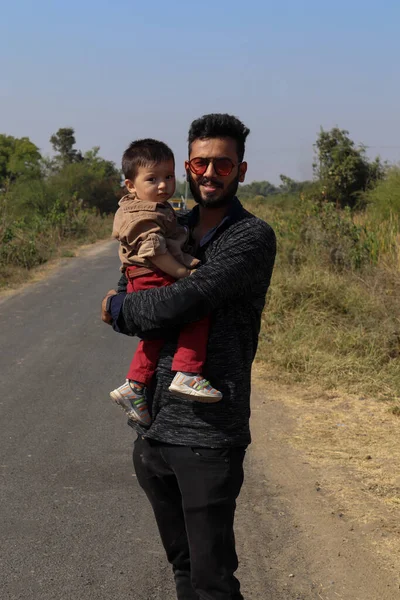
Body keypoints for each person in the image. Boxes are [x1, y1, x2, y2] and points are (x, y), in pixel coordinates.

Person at [102, 113, 276, 600]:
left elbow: (183, 302)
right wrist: (122, 306)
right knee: (182, 570)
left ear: (240, 171)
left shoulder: (250, 237)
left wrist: (115, 306)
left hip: (209, 437)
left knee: (212, 580)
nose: (210, 173)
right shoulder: (167, 222)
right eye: (201, 163)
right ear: (187, 166)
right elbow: (131, 297)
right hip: (153, 430)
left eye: (223, 163)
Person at [110, 138, 222, 427]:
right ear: (130, 186)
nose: (163, 185)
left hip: (142, 278)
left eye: (168, 177)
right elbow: (155, 252)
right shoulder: (143, 214)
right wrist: (184, 274)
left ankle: (134, 386)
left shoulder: (155, 208)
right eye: (152, 179)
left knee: (156, 335)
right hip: (152, 275)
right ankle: (187, 372)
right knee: (195, 312)